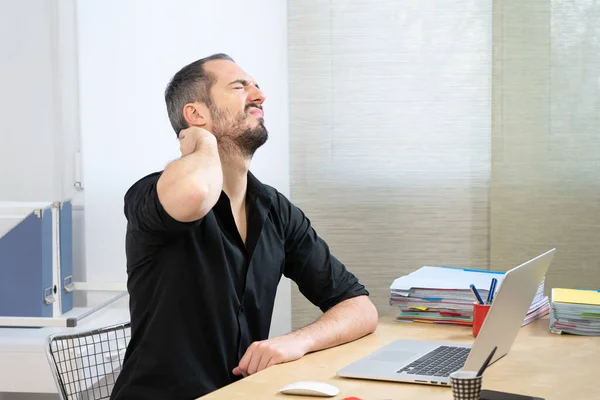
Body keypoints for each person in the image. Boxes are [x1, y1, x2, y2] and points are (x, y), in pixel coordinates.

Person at [110, 53, 378, 400]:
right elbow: (194, 192)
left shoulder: (274, 209)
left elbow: (359, 307)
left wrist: (295, 341)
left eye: (257, 86)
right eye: (240, 86)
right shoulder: (155, 194)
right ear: (196, 114)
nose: (259, 95)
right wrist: (202, 140)